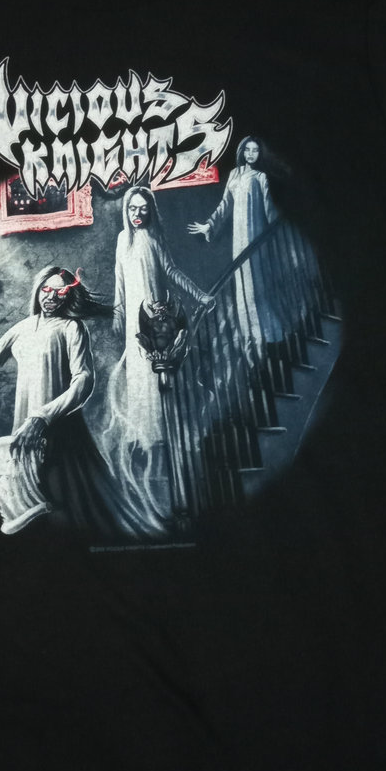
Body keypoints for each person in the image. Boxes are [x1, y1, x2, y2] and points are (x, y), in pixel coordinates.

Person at [0, 265, 149, 540]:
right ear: (38, 289)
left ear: (68, 296)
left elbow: (83, 380)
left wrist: (42, 417)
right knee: (29, 511)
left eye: (60, 292)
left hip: (61, 433)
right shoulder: (21, 329)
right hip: (24, 432)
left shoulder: (72, 328)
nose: (51, 296)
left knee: (73, 511)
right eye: (46, 289)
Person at [104, 186, 213, 524]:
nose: (138, 214)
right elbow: (120, 281)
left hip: (157, 321)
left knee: (160, 378)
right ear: (126, 211)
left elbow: (172, 272)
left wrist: (200, 295)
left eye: (143, 208)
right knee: (139, 378)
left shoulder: (155, 238)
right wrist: (118, 315)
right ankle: (148, 442)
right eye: (132, 208)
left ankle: (166, 443)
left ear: (150, 210)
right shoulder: (123, 240)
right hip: (134, 324)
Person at [188, 135, 288, 349]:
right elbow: (225, 204)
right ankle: (251, 337)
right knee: (243, 285)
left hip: (256, 237)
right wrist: (209, 225)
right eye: (247, 150)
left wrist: (275, 232)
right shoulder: (234, 174)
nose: (251, 154)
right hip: (239, 239)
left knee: (259, 285)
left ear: (259, 154)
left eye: (255, 150)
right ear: (242, 151)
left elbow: (269, 209)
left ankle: (271, 335)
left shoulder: (261, 177)